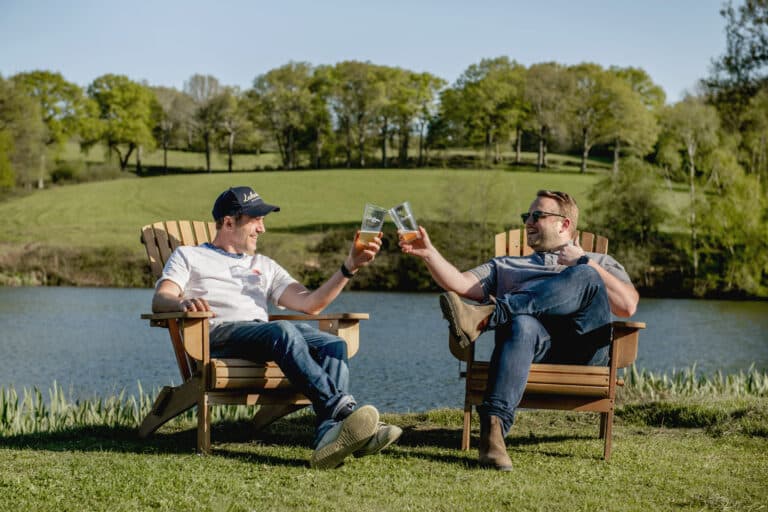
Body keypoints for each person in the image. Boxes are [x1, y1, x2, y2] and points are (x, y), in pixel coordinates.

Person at [151, 186, 402, 469]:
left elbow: (311, 304)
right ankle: (342, 410)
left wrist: (350, 266)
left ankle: (328, 436)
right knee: (282, 330)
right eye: (255, 219)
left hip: (263, 338)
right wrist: (181, 304)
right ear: (229, 222)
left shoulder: (265, 265)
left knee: (334, 344)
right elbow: (162, 297)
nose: (262, 228)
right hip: (216, 336)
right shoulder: (189, 256)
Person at [399, 190, 638, 470]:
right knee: (523, 323)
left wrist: (583, 261)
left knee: (585, 276)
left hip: (584, 348)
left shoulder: (598, 262)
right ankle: (493, 437)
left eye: (538, 215)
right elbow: (461, 284)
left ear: (564, 224)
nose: (529, 222)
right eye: (527, 216)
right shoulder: (507, 265)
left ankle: (492, 314)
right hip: (530, 348)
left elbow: (627, 305)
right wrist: (429, 254)